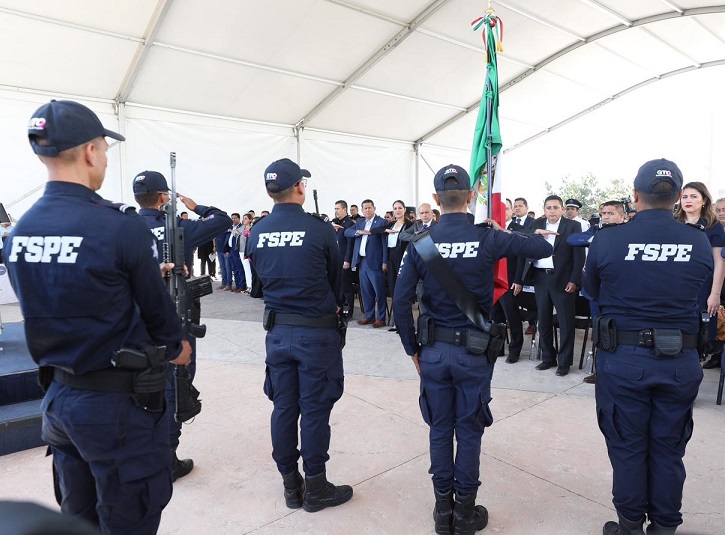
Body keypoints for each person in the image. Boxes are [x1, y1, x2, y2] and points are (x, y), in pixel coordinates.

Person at [5, 99, 192, 534]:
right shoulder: (118, 227)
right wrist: (178, 349)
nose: (105, 157)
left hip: (59, 402)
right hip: (118, 408)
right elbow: (164, 325)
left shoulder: (19, 234)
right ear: (90, 151)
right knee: (128, 519)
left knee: (78, 519)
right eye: (104, 148)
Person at [393, 164, 552, 535]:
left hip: (432, 351)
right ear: (470, 197)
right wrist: (500, 230)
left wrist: (411, 349)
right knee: (468, 430)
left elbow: (401, 303)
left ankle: (441, 511)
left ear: (435, 200)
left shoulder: (420, 241)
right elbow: (542, 246)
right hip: (474, 353)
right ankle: (465, 513)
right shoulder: (489, 237)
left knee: (439, 429)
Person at [585, 159, 712, 535]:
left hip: (624, 359)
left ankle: (628, 525)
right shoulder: (698, 240)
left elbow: (592, 289)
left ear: (635, 196)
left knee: (627, 446)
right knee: (669, 448)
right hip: (680, 359)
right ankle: (664, 527)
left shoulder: (608, 238)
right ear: (676, 197)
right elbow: (700, 290)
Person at [247, 158, 352, 513]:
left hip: (277, 332)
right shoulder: (322, 230)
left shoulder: (258, 231)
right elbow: (338, 286)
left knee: (283, 408)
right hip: (316, 334)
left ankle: (292, 486)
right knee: (315, 410)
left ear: (268, 191)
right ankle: (317, 486)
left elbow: (257, 287)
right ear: (299, 188)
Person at [132, 170, 232, 481]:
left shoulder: (124, 227)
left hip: (138, 320)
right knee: (177, 382)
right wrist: (196, 205)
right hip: (175, 316)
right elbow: (222, 219)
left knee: (142, 382)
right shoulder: (177, 227)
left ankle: (146, 450)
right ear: (164, 198)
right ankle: (167, 457)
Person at [514, 195, 585, 376]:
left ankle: (564, 362)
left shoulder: (572, 226)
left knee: (566, 322)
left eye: (555, 207)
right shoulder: (537, 224)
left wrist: (575, 280)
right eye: (548, 208)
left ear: (562, 209)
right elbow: (521, 236)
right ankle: (548, 358)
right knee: (543, 320)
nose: (552, 211)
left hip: (563, 280)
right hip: (540, 278)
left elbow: (579, 257)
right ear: (544, 210)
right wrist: (537, 232)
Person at [674, 182, 725, 369]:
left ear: (704, 200)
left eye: (694, 196)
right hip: (673, 287)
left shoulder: (713, 227)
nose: (688, 200)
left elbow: (720, 262)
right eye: (685, 196)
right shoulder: (673, 223)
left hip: (702, 288)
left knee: (695, 337)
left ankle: (688, 383)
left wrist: (715, 294)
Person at [345, 199, 389, 327]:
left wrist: (385, 261)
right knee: (366, 291)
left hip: (376, 262)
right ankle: (369, 316)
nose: (367, 210)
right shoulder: (360, 222)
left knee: (379, 291)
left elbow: (384, 244)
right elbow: (348, 232)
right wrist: (357, 232)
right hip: (362, 261)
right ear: (362, 210)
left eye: (370, 208)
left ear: (374, 208)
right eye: (365, 208)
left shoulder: (381, 222)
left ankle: (381, 318)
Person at [331, 200, 355, 316]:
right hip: (335, 259)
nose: (336, 211)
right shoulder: (334, 222)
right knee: (336, 285)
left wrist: (347, 260)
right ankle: (338, 308)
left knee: (346, 287)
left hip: (344, 259)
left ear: (345, 209)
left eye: (338, 209)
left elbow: (350, 244)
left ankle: (348, 311)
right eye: (335, 209)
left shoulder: (349, 224)